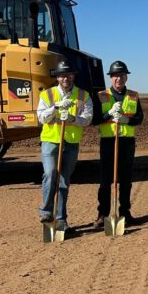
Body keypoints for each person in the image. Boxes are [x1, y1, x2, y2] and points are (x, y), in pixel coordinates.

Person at [37, 60, 93, 231]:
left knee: (63, 181)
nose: (65, 78)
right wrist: (55, 107)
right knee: (50, 173)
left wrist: (71, 119)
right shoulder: (47, 95)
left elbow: (87, 119)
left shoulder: (84, 96)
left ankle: (61, 219)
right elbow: (41, 118)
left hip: (71, 142)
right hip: (51, 140)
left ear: (73, 76)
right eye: (62, 75)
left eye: (68, 75)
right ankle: (47, 212)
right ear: (58, 77)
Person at [92, 60, 144, 229]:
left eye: (121, 76)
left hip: (127, 142)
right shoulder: (102, 96)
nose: (118, 79)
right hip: (108, 142)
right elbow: (94, 120)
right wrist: (109, 114)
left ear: (126, 77)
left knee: (126, 179)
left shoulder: (133, 95)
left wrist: (125, 119)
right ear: (111, 78)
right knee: (105, 180)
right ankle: (103, 214)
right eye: (115, 76)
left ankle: (125, 213)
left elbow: (140, 119)